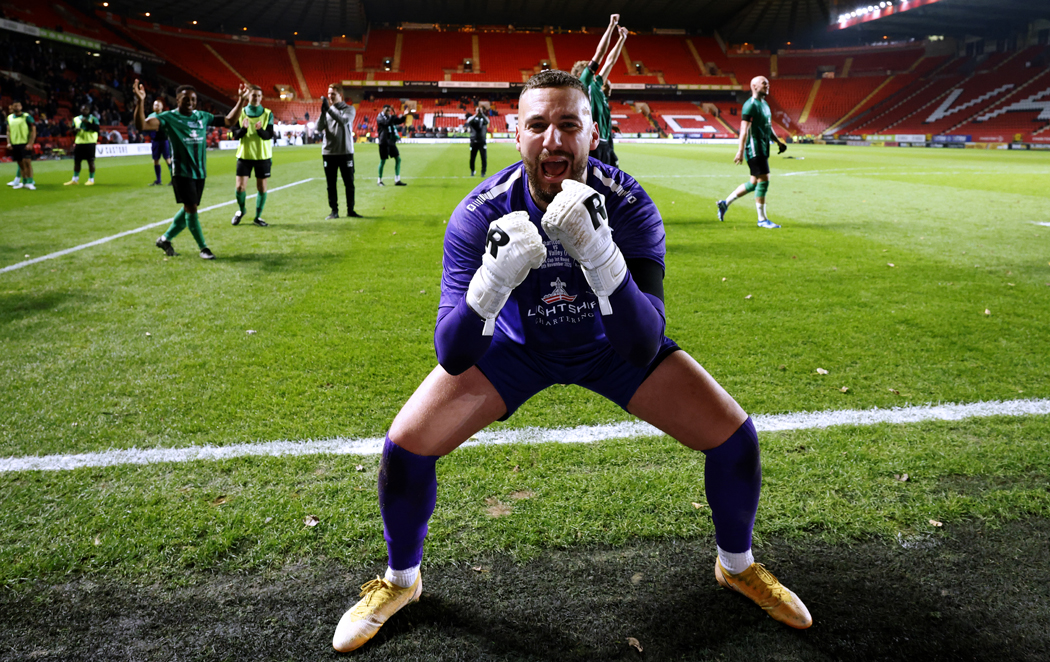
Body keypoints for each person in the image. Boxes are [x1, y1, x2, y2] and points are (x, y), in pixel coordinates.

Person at [330, 69, 812, 654]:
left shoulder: (628, 204)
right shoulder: (480, 212)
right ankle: (401, 581)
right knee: (406, 447)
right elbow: (453, 354)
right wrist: (492, 282)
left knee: (735, 439)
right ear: (517, 135)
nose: (553, 140)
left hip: (609, 348)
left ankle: (736, 566)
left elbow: (643, 344)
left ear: (592, 133)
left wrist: (601, 255)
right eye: (537, 125)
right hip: (515, 350)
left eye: (568, 124)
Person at [133, 80, 249, 260]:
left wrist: (241, 100)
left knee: (189, 207)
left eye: (193, 99)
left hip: (199, 171)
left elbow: (229, 121)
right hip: (181, 172)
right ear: (177, 100)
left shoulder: (202, 116)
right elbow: (142, 125)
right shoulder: (168, 117)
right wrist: (141, 101)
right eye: (186, 99)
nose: (190, 102)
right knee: (191, 208)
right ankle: (204, 248)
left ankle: (165, 239)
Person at [717, 76, 788, 229]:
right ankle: (762, 219)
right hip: (754, 148)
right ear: (754, 86)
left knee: (753, 183)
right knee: (764, 179)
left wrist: (778, 142)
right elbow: (744, 129)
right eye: (764, 83)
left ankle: (724, 203)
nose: (767, 85)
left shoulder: (765, 105)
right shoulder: (750, 105)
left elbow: (767, 127)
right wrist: (740, 150)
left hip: (763, 147)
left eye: (768, 83)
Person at [570, 15, 627, 166]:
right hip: (592, 143)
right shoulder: (583, 83)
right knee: (594, 179)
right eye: (589, 70)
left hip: (606, 142)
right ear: (579, 75)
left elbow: (610, 62)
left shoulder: (596, 84)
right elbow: (600, 54)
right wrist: (611, 25)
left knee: (609, 178)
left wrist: (622, 39)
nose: (594, 72)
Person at [230, 84, 275, 227]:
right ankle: (241, 210)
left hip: (262, 156)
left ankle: (258, 217)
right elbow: (235, 135)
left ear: (262, 97)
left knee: (261, 188)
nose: (256, 98)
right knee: (239, 188)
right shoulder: (241, 112)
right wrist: (243, 129)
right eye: (253, 95)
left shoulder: (268, 113)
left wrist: (260, 130)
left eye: (259, 95)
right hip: (244, 156)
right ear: (248, 96)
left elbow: (269, 135)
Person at [319, 83, 360, 219]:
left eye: (333, 94)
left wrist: (329, 110)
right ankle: (334, 211)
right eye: (329, 93)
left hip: (345, 152)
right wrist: (323, 113)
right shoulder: (327, 110)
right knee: (331, 184)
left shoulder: (349, 109)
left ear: (340, 95)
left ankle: (350, 210)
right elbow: (318, 128)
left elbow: (344, 121)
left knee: (349, 183)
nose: (330, 96)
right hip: (328, 153)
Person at [64, 105, 100, 186]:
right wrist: (74, 130)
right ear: (81, 110)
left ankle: (91, 179)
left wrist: (88, 123)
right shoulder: (76, 119)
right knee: (77, 161)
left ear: (89, 110)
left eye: (86, 109)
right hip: (79, 142)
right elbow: (73, 130)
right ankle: (75, 180)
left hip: (90, 142)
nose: (85, 111)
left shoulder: (93, 119)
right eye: (83, 109)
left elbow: (97, 129)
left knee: (90, 161)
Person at [6, 101, 37, 190]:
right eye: (15, 106)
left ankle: (30, 182)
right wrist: (9, 142)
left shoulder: (27, 117)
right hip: (15, 144)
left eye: (19, 105)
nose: (17, 107)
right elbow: (8, 131)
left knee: (27, 163)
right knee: (20, 164)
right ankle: (24, 182)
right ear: (12, 107)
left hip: (25, 143)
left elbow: (33, 130)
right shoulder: (9, 117)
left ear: (21, 107)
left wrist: (30, 143)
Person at [376, 104, 409, 186]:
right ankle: (379, 181)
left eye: (389, 110)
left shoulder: (390, 117)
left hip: (391, 141)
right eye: (387, 109)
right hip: (383, 141)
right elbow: (386, 123)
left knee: (398, 159)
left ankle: (397, 180)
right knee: (383, 160)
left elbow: (399, 121)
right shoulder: (379, 117)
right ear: (383, 109)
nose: (388, 111)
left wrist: (404, 115)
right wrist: (393, 115)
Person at [147, 98, 174, 186]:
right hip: (155, 141)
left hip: (164, 140)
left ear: (162, 106)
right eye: (155, 105)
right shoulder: (151, 116)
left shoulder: (165, 115)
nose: (156, 106)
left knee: (168, 159)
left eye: (158, 105)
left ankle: (173, 179)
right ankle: (158, 180)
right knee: (156, 160)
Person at [465, 105, 489, 177]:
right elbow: (469, 121)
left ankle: (483, 172)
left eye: (479, 111)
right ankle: (472, 171)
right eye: (477, 110)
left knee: (483, 158)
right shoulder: (472, 118)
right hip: (474, 141)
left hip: (482, 141)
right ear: (475, 111)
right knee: (472, 158)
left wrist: (482, 114)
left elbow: (488, 121)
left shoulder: (484, 119)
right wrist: (476, 115)